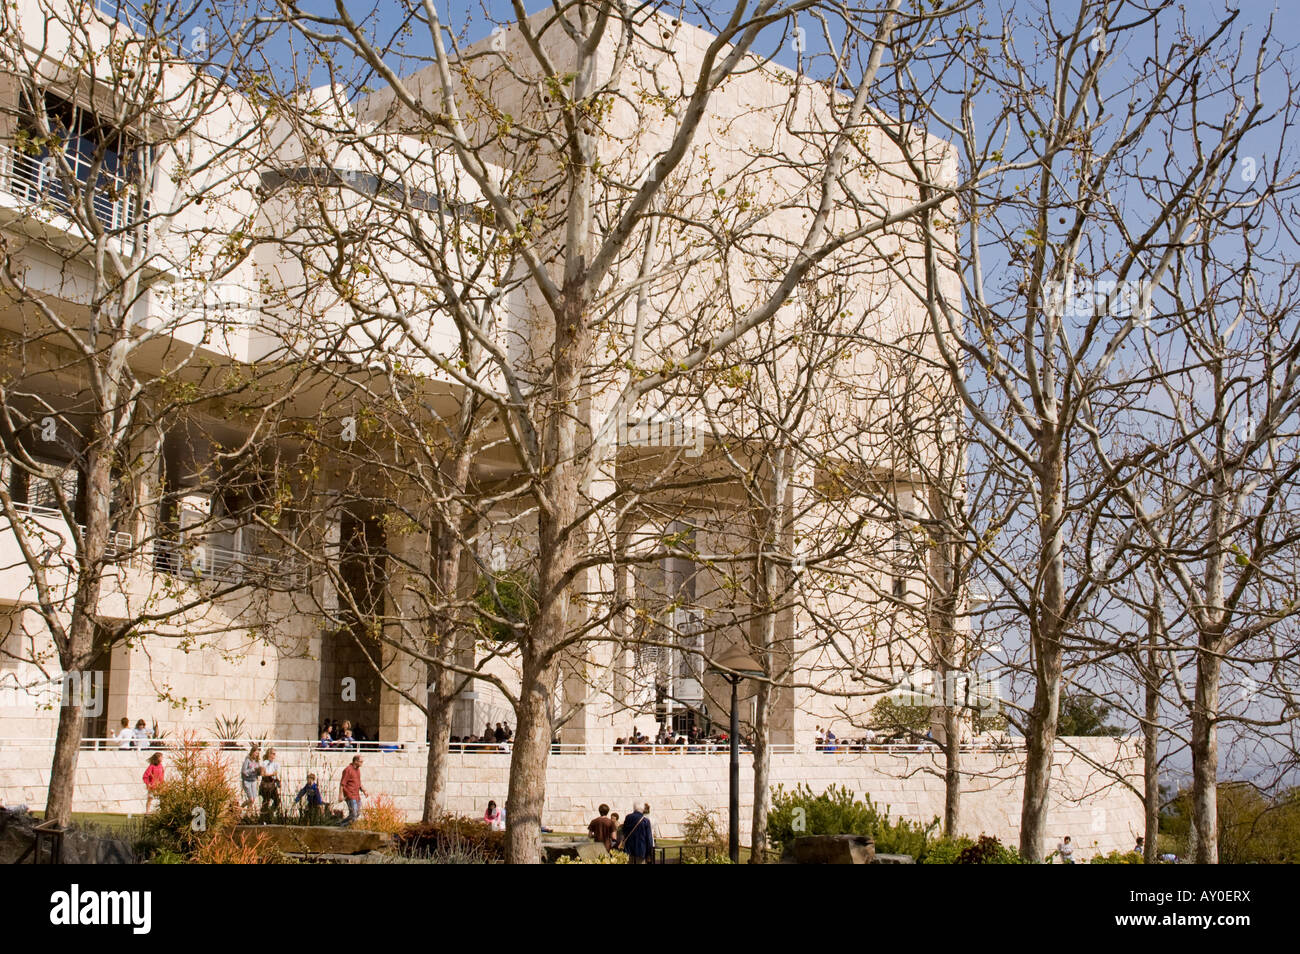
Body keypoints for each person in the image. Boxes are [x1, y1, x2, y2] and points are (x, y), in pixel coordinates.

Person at [259, 747, 282, 814]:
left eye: (275, 754)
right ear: (269, 754)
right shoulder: (264, 763)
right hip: (266, 784)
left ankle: (270, 813)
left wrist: (278, 781)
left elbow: (275, 775)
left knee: (277, 801)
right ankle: (263, 817)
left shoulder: (275, 764)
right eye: (273, 754)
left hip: (272, 784)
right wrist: (271, 774)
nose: (274, 756)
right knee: (266, 801)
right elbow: (263, 774)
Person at [240, 744, 262, 810]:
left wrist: (259, 771)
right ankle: (240, 808)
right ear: (252, 752)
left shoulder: (257, 761)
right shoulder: (247, 760)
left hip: (254, 780)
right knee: (251, 799)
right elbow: (243, 771)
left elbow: (257, 771)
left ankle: (248, 815)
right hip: (247, 781)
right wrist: (252, 769)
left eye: (257, 753)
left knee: (253, 800)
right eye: (255, 753)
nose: (256, 754)